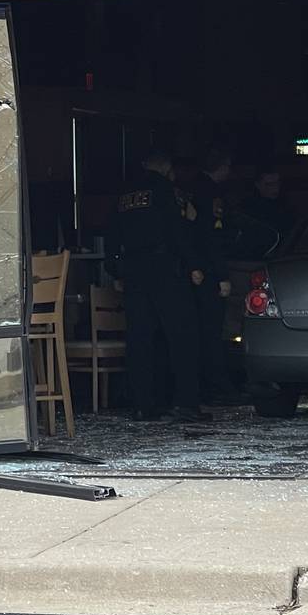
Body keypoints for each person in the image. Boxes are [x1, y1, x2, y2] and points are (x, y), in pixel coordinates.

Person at [108, 151, 211, 422]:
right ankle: (186, 402)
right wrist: (193, 265)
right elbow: (175, 229)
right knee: (182, 335)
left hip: (133, 269)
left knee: (139, 338)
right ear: (164, 166)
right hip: (164, 268)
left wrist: (114, 269)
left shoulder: (124, 194)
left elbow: (112, 233)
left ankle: (142, 404)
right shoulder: (164, 189)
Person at [187, 148, 237, 402]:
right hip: (207, 271)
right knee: (212, 331)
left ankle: (202, 385)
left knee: (196, 331)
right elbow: (211, 237)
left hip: (190, 270)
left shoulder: (189, 188)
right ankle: (217, 385)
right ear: (223, 167)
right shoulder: (211, 193)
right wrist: (222, 275)